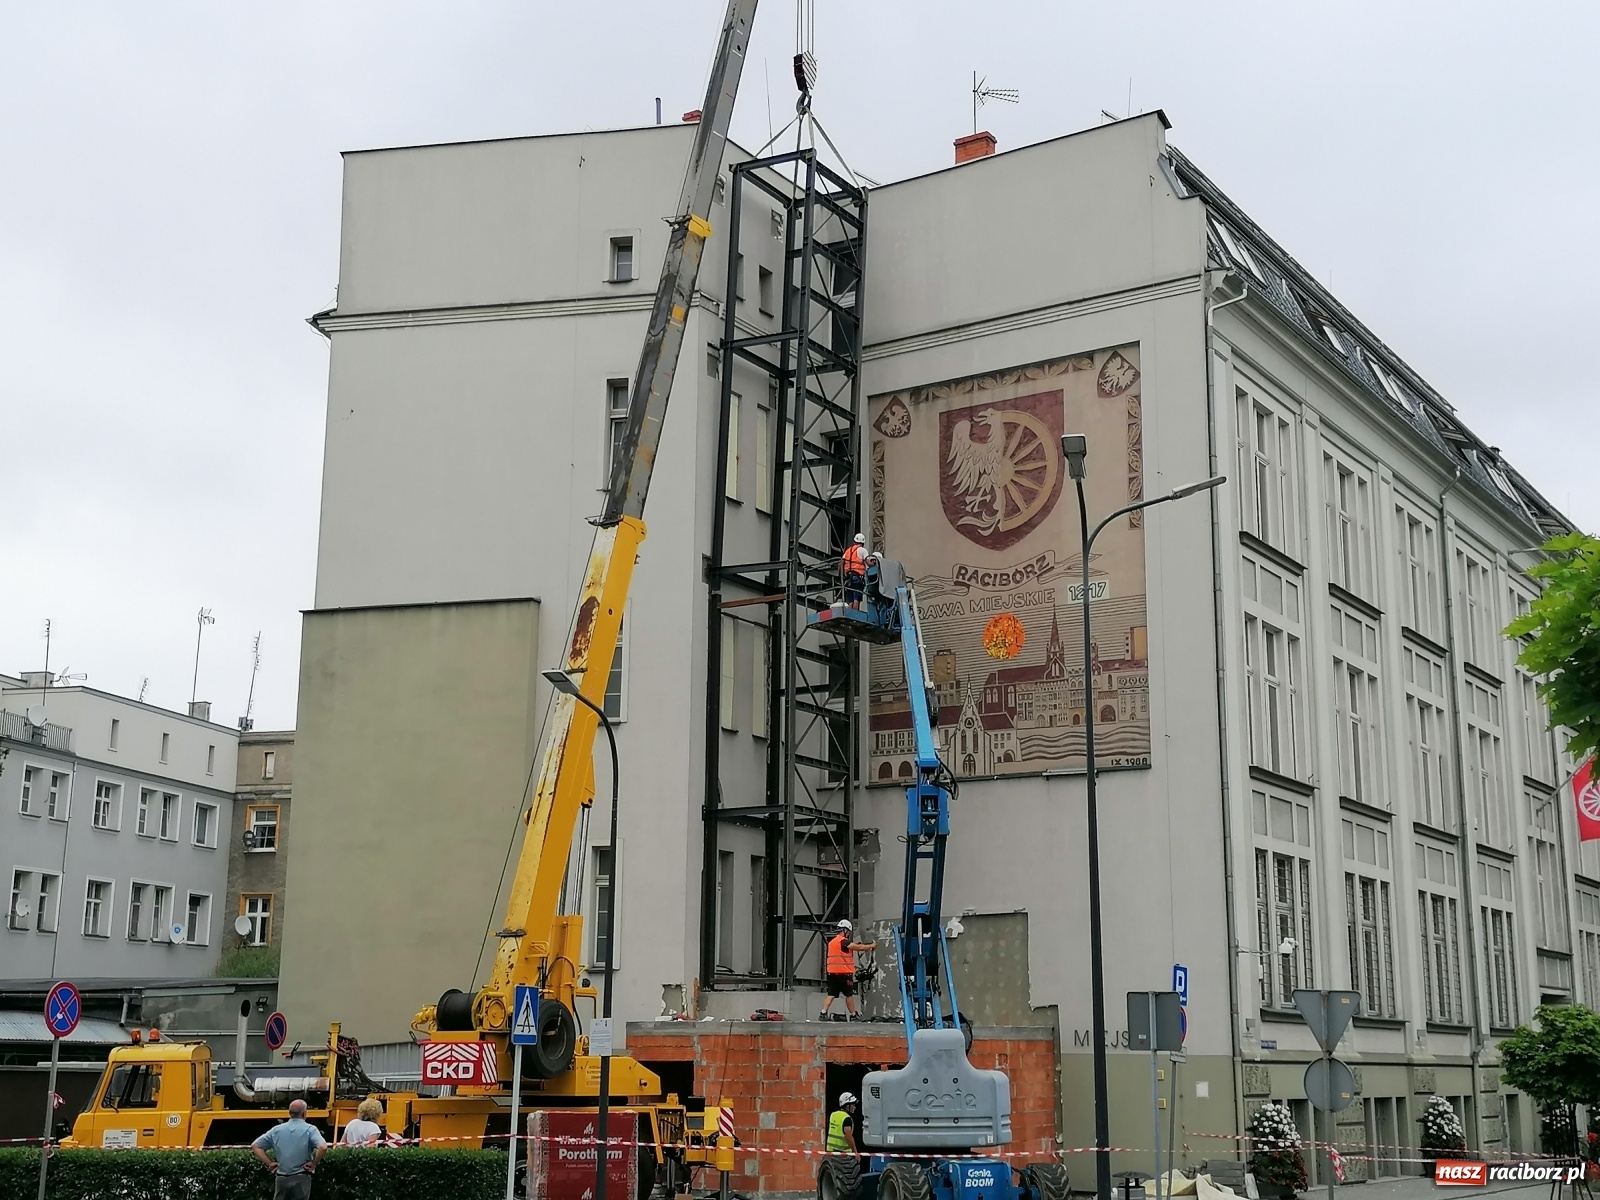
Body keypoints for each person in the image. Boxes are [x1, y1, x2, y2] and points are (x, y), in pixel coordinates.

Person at [252, 1098, 328, 1199]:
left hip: (281, 1178)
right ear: (304, 1114)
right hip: (301, 1177)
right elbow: (323, 1147)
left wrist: (269, 1163)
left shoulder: (276, 1130)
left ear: (289, 1113)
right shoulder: (310, 1129)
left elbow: (255, 1146)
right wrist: (314, 1163)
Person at [820, 918, 876, 1021]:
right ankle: (853, 1015)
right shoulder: (843, 941)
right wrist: (871, 946)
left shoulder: (832, 942)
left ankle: (823, 1013)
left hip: (832, 973)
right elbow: (857, 948)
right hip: (844, 973)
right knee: (849, 994)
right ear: (845, 930)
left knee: (831, 994)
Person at [826, 1091, 860, 1155]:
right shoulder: (847, 1119)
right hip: (843, 1155)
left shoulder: (833, 1115)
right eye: (853, 1104)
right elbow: (848, 1137)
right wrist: (855, 1152)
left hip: (830, 1153)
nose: (855, 1107)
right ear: (847, 1105)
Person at [841, 534, 868, 605]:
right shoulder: (862, 550)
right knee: (856, 599)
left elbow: (841, 563)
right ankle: (856, 614)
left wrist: (843, 575)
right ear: (863, 543)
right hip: (857, 577)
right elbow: (868, 562)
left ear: (854, 542)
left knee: (850, 601)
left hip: (848, 578)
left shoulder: (848, 551)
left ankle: (850, 615)